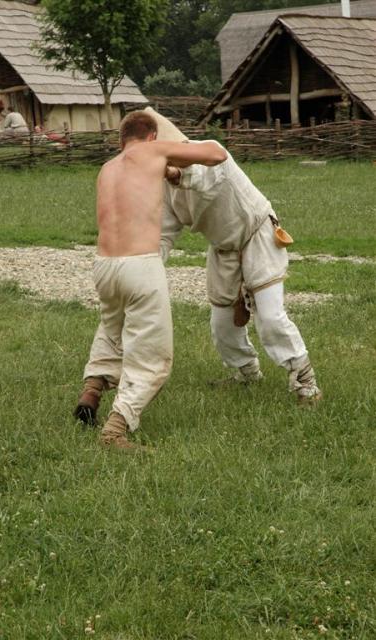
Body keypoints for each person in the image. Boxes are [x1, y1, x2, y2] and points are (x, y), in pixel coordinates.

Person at [145, 107, 321, 405]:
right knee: (222, 325)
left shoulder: (208, 154)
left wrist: (174, 173)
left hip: (257, 236)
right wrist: (147, 267)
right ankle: (247, 372)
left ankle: (306, 382)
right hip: (223, 249)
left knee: (271, 317)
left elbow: (203, 177)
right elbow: (164, 232)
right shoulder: (163, 187)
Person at [73, 111, 227, 450]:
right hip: (140, 266)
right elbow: (217, 154)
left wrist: (167, 171)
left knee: (112, 329)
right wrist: (173, 158)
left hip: (104, 267)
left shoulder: (107, 168)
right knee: (153, 356)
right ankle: (116, 429)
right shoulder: (153, 150)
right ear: (152, 136)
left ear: (122, 139)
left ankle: (92, 391)